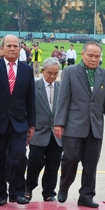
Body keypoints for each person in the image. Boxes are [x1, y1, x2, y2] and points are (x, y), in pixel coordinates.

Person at [54, 41, 105, 208]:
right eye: (90, 55)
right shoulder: (70, 72)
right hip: (73, 125)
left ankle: (86, 195)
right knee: (70, 159)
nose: (94, 59)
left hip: (94, 127)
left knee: (91, 163)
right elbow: (63, 99)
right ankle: (64, 186)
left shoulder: (104, 74)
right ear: (82, 54)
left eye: (97, 56)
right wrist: (59, 123)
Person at [0, 35, 36, 206]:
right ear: (2, 48)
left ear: (20, 49)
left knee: (18, 157)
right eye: (8, 46)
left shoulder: (26, 70)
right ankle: (1, 192)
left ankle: (17, 192)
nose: (12, 48)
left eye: (15, 46)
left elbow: (30, 99)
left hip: (19, 122)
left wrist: (31, 124)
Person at [26, 58, 63, 201]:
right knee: (34, 162)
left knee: (53, 164)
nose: (52, 77)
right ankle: (28, 187)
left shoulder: (61, 88)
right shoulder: (34, 87)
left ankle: (49, 193)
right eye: (49, 73)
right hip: (38, 131)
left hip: (56, 134)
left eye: (55, 73)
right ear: (42, 71)